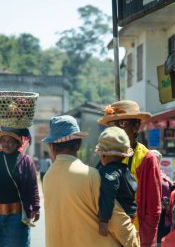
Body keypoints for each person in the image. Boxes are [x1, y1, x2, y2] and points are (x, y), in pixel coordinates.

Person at [42, 115, 139, 247]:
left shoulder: (47, 177)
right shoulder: (92, 176)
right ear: (78, 144)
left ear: (51, 146)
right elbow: (118, 222)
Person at [99, 100, 162, 247]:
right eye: (113, 125)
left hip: (134, 237)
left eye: (122, 124)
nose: (116, 131)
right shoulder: (105, 155)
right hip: (108, 236)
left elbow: (154, 209)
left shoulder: (146, 159)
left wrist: (145, 243)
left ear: (136, 126)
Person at [95, 126, 137, 236]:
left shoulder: (110, 172)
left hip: (119, 219)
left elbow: (108, 193)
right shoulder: (125, 169)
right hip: (130, 216)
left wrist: (104, 220)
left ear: (103, 155)